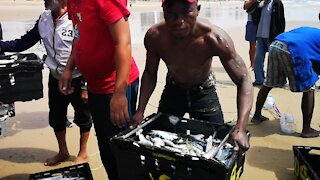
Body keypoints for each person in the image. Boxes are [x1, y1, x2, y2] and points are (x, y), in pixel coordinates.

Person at [132, 0, 252, 153]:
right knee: (159, 142)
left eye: (186, 12)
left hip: (204, 91)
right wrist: (140, 110)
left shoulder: (214, 38)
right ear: (164, 12)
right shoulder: (155, 36)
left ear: (198, 10)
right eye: (171, 14)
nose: (179, 21)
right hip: (173, 90)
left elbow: (243, 79)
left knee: (217, 143)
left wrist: (241, 128)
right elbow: (150, 73)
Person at [0, 0, 92, 166]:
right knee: (57, 117)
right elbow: (23, 43)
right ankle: (63, 151)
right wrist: (1, 46)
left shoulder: (77, 18)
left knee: (84, 117)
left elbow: (87, 50)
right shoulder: (44, 19)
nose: (45, 0)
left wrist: (85, 85)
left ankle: (83, 152)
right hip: (55, 78)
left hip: (78, 78)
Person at [59, 0, 139, 179]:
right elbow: (78, 36)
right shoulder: (73, 2)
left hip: (116, 86)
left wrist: (119, 94)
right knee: (105, 145)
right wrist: (69, 69)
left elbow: (123, 43)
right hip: (96, 87)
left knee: (121, 147)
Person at [251, 26, 320, 138]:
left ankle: (257, 116)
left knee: (268, 83)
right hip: (294, 49)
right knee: (309, 88)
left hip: (276, 44)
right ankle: (307, 130)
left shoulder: (312, 31)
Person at [252, 0, 285, 85]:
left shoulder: (277, 3)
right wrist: (258, 5)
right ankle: (259, 80)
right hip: (260, 36)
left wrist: (280, 36)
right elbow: (254, 17)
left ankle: (273, 81)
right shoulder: (261, 4)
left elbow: (281, 21)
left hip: (272, 36)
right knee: (258, 60)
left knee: (273, 60)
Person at [243, 0, 258, 71]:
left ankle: (259, 65)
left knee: (263, 45)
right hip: (252, 22)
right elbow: (245, 6)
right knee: (252, 45)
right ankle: (252, 64)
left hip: (264, 21)